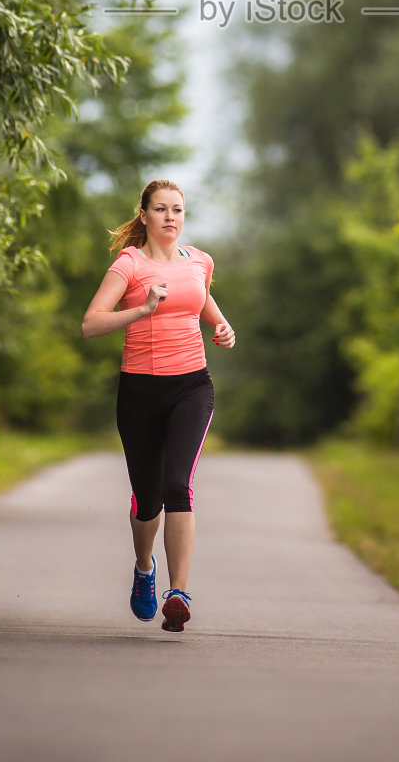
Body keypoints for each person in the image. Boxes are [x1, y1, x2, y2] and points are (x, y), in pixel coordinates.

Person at [81, 178, 235, 632]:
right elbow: (91, 324)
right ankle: (145, 568)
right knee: (147, 500)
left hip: (191, 387)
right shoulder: (130, 264)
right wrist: (142, 310)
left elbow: (200, 298)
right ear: (144, 215)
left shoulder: (198, 261)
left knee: (177, 485)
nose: (171, 217)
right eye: (162, 209)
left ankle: (179, 593)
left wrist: (223, 326)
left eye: (178, 210)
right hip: (139, 393)